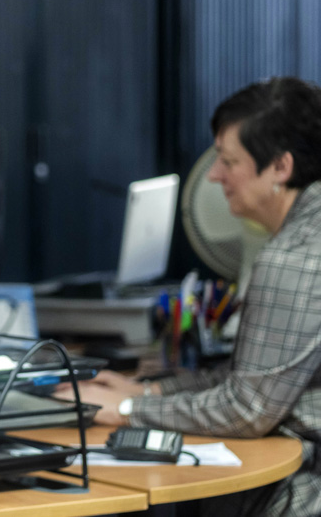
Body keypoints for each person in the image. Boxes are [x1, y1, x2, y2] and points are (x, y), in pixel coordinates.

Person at [57, 77, 321, 516]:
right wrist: (152, 390)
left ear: (280, 167)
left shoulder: (294, 260)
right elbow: (252, 376)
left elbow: (247, 408)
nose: (214, 175)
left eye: (227, 161)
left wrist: (125, 409)